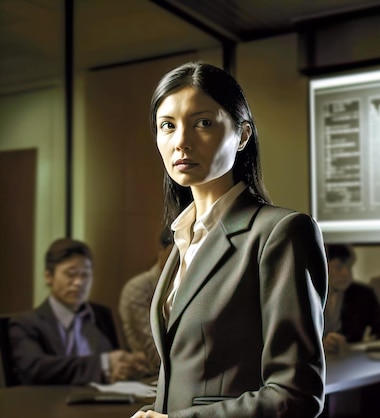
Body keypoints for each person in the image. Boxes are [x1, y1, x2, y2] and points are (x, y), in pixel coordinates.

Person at [132, 62, 327, 418]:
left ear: (242, 135)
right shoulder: (184, 236)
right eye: (168, 126)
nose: (181, 142)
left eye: (203, 123)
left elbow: (296, 395)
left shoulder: (280, 232)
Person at [9, 238, 147, 385]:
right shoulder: (26, 323)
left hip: (107, 402)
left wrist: (127, 367)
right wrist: (103, 364)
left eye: (85, 275)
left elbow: (115, 365)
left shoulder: (101, 314)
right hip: (52, 404)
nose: (79, 283)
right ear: (48, 276)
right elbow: (35, 369)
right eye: (71, 274)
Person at [323, 244, 380, 354]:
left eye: (349, 267)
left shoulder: (362, 294)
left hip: (349, 362)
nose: (346, 273)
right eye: (339, 267)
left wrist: (362, 346)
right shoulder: (303, 295)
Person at [119, 227, 173, 377]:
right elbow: (152, 348)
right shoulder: (139, 287)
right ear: (161, 251)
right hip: (149, 376)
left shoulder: (183, 285)